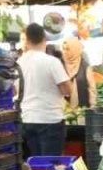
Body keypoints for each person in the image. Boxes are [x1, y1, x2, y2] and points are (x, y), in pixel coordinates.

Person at [17, 23, 72, 157]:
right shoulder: (52, 62)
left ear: (27, 40)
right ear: (44, 39)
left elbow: (15, 90)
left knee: (33, 166)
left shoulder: (19, 62)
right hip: (50, 121)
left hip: (27, 119)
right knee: (50, 165)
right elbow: (67, 90)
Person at [62, 38, 92, 109]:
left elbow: (91, 89)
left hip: (81, 107)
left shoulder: (85, 66)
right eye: (64, 49)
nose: (65, 52)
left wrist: (92, 106)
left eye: (67, 49)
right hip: (64, 109)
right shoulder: (60, 65)